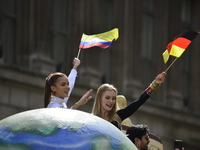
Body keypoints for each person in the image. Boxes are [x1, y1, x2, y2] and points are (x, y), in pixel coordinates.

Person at [91, 72, 166, 129]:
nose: (111, 101)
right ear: (99, 98)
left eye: (113, 98)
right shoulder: (92, 119)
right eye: (107, 98)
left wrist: (155, 84)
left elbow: (139, 102)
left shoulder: (118, 116)